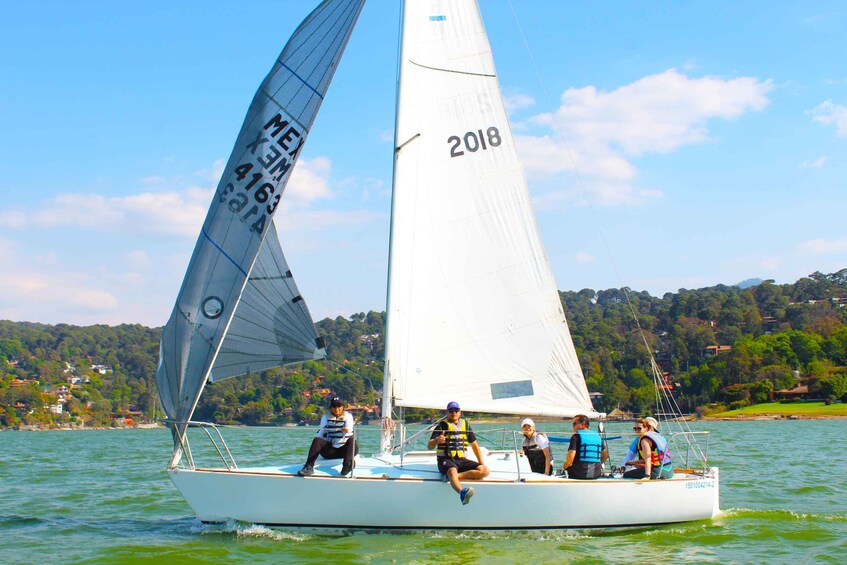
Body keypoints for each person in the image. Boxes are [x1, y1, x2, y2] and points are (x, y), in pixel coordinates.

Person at [427, 401, 490, 505]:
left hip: (462, 460)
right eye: (451, 411)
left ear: (460, 412)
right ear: (447, 413)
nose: (454, 413)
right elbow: (429, 446)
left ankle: (454, 477)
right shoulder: (441, 426)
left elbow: (475, 445)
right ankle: (462, 492)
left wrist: (481, 463)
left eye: (456, 410)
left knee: (485, 471)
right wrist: (436, 440)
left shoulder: (465, 425)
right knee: (452, 471)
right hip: (446, 460)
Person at [297, 397, 357, 476]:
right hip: (331, 451)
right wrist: (317, 444)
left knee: (351, 440)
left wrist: (346, 430)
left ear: (343, 407)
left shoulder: (348, 416)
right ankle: (309, 467)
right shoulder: (325, 417)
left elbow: (349, 427)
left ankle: (346, 466)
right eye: (334, 406)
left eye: (339, 406)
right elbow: (321, 432)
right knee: (317, 440)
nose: (336, 408)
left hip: (345, 450)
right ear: (331, 407)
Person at [561, 414, 608, 479]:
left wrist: (564, 467)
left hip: (580, 473)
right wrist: (599, 463)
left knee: (565, 470)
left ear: (583, 425)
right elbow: (605, 455)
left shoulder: (575, 437)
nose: (573, 426)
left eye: (574, 423)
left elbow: (570, 459)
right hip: (596, 473)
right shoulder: (598, 436)